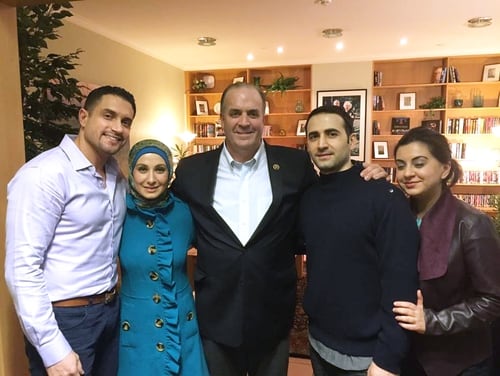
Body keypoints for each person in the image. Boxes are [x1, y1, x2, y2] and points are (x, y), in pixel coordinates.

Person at [171, 82, 387, 376]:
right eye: (235, 113)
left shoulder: (295, 164)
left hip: (273, 316)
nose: (244, 121)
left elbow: (329, 190)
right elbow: (165, 212)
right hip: (216, 316)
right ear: (221, 119)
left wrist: (364, 170)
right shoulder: (191, 170)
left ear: (264, 118)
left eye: (252, 113)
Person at [5, 85, 136, 376]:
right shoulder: (44, 175)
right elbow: (22, 268)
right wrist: (53, 349)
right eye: (109, 116)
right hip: (65, 320)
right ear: (84, 117)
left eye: (125, 122)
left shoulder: (116, 174)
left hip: (109, 313)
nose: (117, 128)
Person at [299, 105, 419, 376]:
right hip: (319, 342)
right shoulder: (308, 198)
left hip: (369, 357)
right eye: (313, 136)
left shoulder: (385, 197)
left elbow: (400, 284)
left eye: (332, 134)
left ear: (352, 140)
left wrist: (387, 358)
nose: (322, 144)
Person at [392, 126, 500, 376]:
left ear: (445, 168)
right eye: (400, 165)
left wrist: (433, 321)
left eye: (419, 163)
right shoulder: (397, 215)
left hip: (460, 361)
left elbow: (493, 299)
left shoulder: (471, 223)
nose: (407, 173)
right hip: (407, 353)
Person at [117, 139, 209, 376]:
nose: (151, 179)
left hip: (180, 322)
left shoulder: (184, 212)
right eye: (142, 169)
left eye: (160, 169)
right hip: (136, 325)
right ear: (131, 171)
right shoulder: (117, 212)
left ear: (169, 173)